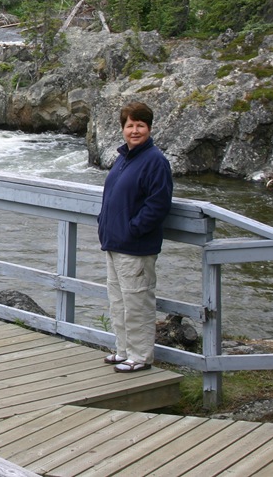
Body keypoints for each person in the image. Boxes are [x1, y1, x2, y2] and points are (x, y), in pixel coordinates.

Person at [97, 101, 173, 373]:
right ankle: (123, 351)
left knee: (137, 303)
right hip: (115, 243)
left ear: (149, 128)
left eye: (140, 125)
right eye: (130, 125)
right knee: (118, 301)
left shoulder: (155, 161)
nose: (135, 130)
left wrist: (133, 229)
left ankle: (140, 357)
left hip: (135, 247)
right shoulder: (123, 158)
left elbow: (158, 204)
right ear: (123, 129)